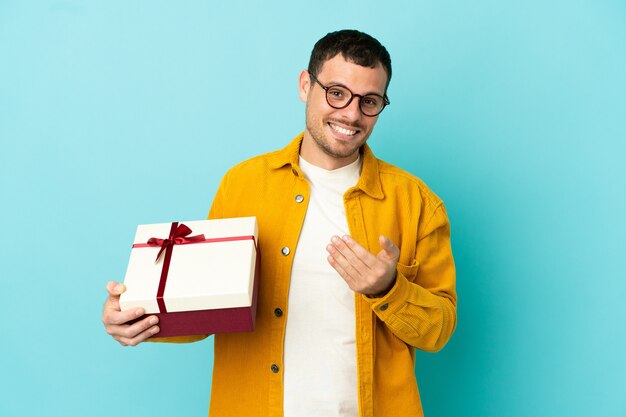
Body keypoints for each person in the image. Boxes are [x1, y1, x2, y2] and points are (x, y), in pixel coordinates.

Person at [102, 29, 457, 417]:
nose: (351, 114)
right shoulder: (243, 184)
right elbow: (208, 306)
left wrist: (388, 288)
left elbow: (438, 330)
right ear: (306, 85)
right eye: (336, 93)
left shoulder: (417, 203)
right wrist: (135, 317)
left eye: (369, 101)